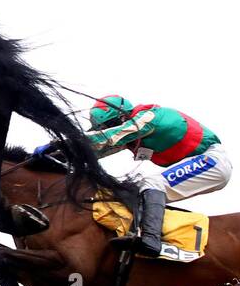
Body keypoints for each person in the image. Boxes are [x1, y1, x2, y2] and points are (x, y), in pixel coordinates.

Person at [71, 95, 230, 258]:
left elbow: (110, 136)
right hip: (203, 162)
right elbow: (94, 151)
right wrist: (59, 155)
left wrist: (61, 142)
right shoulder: (132, 136)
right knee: (132, 187)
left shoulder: (149, 117)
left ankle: (151, 240)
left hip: (212, 161)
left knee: (152, 182)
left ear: (122, 116)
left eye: (109, 124)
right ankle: (139, 233)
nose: (105, 128)